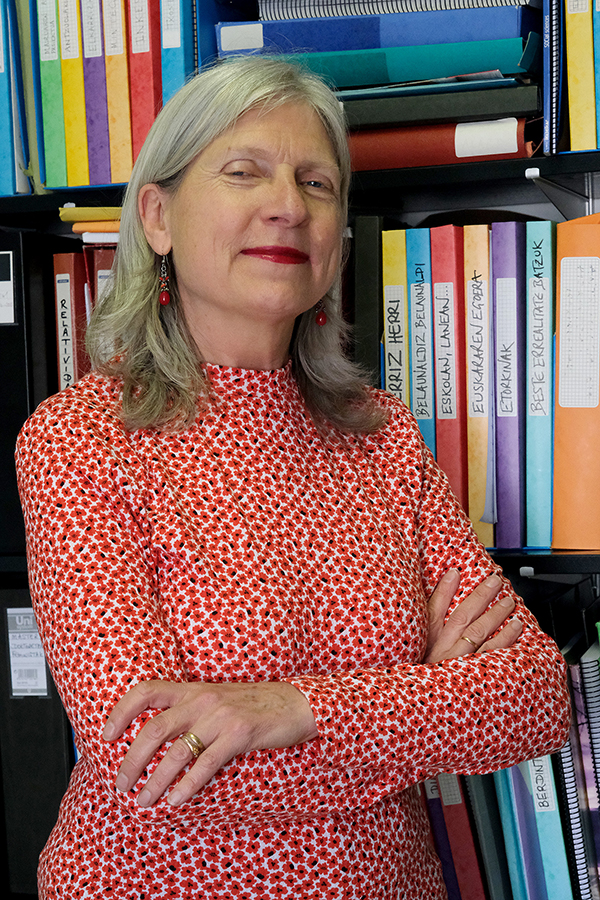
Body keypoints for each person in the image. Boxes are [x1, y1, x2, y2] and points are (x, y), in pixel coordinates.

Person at [16, 56, 570, 899]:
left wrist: (293, 710)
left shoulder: (382, 437)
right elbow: (155, 764)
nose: (288, 205)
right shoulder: (79, 441)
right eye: (244, 171)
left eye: (317, 183)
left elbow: (534, 700)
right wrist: (423, 698)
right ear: (158, 216)